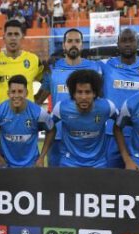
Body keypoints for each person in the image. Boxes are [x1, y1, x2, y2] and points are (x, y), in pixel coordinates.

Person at [37, 28, 104, 167]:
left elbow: (100, 99)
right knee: (57, 181)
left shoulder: (94, 68)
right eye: (70, 41)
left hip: (87, 136)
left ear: (82, 45)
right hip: (57, 135)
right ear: (63, 45)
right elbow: (39, 98)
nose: (73, 44)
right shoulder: (53, 68)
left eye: (77, 41)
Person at [100, 29, 139, 168]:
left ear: (138, 43)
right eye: (124, 40)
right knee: (110, 180)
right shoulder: (105, 65)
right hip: (112, 134)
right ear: (117, 43)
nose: (127, 44)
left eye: (131, 40)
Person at [50, 69, 118, 168]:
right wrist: (42, 156)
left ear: (94, 93)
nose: (83, 97)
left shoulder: (107, 107)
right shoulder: (61, 108)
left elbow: (121, 124)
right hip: (69, 163)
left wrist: (126, 156)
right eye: (79, 92)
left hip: (98, 164)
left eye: (87, 92)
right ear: (73, 94)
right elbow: (47, 126)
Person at [0, 75, 55, 168]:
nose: (16, 96)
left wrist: (42, 157)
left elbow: (52, 130)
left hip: (31, 165)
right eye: (13, 92)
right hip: (6, 165)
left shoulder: (37, 112)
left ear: (26, 93)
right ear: (8, 93)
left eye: (20, 91)